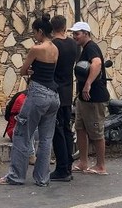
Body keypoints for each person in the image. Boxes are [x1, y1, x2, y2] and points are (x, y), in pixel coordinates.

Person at [0, 14, 60, 186]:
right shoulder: (55, 48)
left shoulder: (36, 49)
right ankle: (42, 178)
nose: (34, 36)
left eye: (35, 33)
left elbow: (23, 70)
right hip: (54, 95)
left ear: (40, 31)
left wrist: (30, 71)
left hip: (38, 93)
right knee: (46, 139)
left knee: (22, 134)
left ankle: (16, 176)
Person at [71, 21, 109, 175]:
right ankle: (83, 162)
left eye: (77, 34)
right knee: (80, 128)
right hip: (84, 99)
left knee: (96, 132)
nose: (74, 37)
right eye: (73, 34)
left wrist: (88, 84)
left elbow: (97, 63)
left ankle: (101, 166)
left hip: (94, 98)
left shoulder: (91, 47)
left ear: (86, 33)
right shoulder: (85, 48)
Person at [49, 15, 79, 182]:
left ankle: (62, 168)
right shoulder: (73, 44)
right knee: (67, 129)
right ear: (65, 26)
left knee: (57, 131)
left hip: (56, 90)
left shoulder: (54, 45)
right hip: (68, 90)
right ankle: (67, 165)